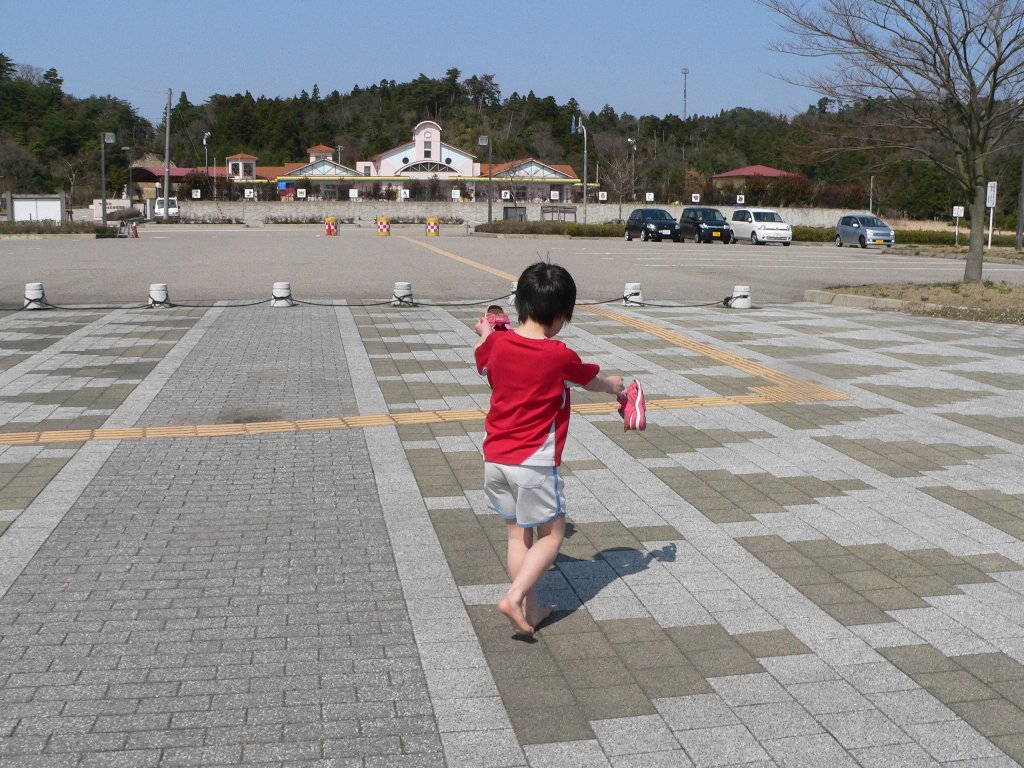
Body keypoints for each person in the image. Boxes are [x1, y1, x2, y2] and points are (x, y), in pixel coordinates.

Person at [475, 262, 624, 635]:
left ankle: (532, 608)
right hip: (533, 463)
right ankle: (514, 598)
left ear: (520, 304)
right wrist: (615, 386)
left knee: (517, 535)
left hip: (495, 457)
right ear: (560, 316)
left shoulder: (496, 343)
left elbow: (482, 354)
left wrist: (485, 332)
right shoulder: (558, 355)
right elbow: (591, 381)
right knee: (552, 535)